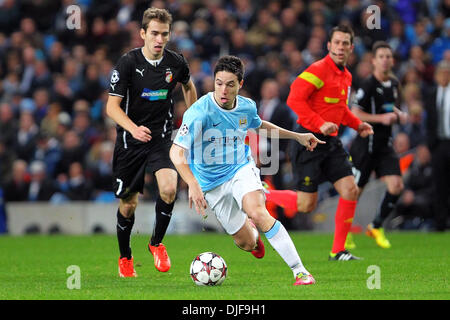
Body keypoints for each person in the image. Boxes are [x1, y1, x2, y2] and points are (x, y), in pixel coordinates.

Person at [170, 55, 324, 285]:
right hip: (211, 184)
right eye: (219, 83)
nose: (223, 90)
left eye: (230, 84)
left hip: (240, 168)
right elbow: (175, 152)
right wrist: (192, 183)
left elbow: (260, 124)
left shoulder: (246, 106)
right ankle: (251, 232)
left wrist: (297, 136)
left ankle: (300, 271)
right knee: (246, 243)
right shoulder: (200, 112)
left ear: (240, 85)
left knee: (258, 212)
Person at [264, 25, 374, 261]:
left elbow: (340, 108)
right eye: (337, 42)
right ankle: (264, 195)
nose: (341, 47)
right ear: (329, 45)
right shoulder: (319, 69)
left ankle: (338, 251)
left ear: (351, 48)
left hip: (331, 144)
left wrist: (358, 125)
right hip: (309, 141)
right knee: (305, 205)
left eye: (345, 43)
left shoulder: (346, 75)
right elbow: (294, 98)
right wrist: (319, 122)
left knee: (350, 189)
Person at [106, 7, 197, 277]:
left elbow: (188, 86)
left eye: (164, 34)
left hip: (161, 138)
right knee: (128, 204)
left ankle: (156, 243)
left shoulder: (176, 62)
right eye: (154, 33)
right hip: (130, 140)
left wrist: (191, 121)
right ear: (143, 34)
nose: (159, 39)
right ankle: (125, 257)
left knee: (169, 189)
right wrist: (133, 129)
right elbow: (112, 107)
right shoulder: (127, 63)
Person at [349, 41, 408, 249]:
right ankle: (344, 231)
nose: (385, 60)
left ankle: (375, 225)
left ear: (392, 60)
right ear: (374, 61)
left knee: (397, 185)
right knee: (354, 192)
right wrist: (382, 118)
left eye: (388, 56)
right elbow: (355, 113)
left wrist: (399, 115)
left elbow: (392, 107)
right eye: (381, 56)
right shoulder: (367, 85)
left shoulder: (393, 84)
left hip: (384, 146)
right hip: (366, 146)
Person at [424, 60, 450, 231]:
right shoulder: (431, 94)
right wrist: (429, 144)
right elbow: (429, 123)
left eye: (446, 73)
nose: (443, 76)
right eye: (441, 73)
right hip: (438, 144)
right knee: (439, 184)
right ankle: (440, 221)